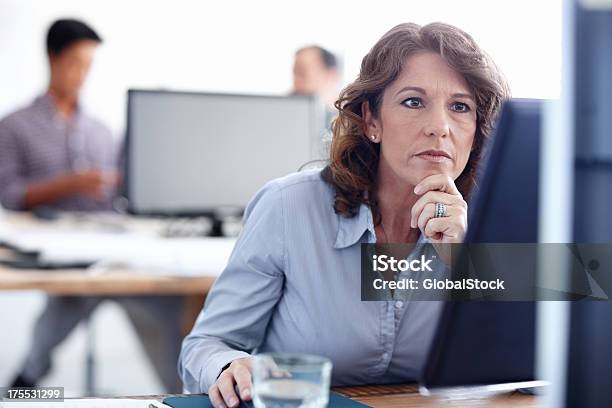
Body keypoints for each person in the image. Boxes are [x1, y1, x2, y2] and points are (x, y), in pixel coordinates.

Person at [179, 22, 509, 407]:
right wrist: (229, 366)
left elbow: (537, 355)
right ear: (371, 120)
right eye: (413, 101)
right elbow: (205, 345)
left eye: (460, 106)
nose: (439, 128)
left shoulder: (487, 221)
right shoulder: (288, 207)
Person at [0, 19, 183, 392]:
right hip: (61, 253)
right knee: (69, 302)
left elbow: (124, 194)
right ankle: (22, 390)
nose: (82, 74)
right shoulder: (14, 126)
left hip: (114, 249)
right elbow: (8, 193)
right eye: (75, 63)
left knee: (171, 306)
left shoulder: (101, 130)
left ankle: (185, 393)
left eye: (89, 65)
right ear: (52, 58)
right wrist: (70, 183)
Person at [292, 45, 340, 127]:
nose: (296, 82)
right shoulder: (285, 110)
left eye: (302, 74)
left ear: (331, 76)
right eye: (294, 73)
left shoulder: (348, 122)